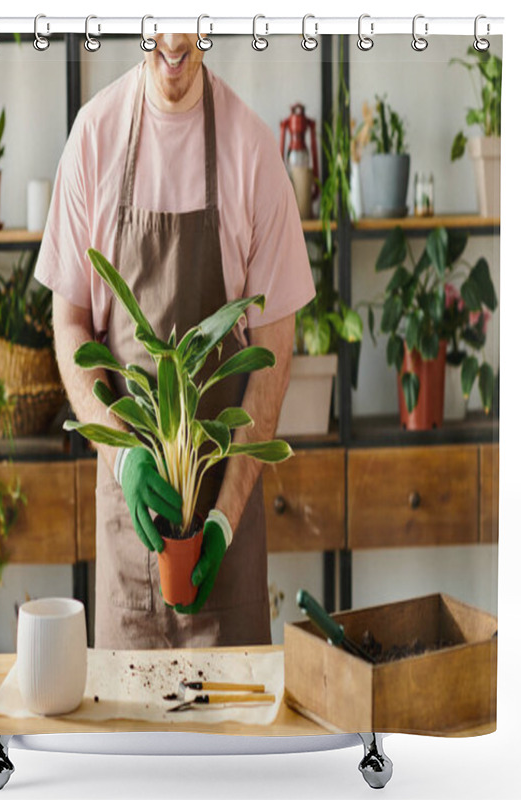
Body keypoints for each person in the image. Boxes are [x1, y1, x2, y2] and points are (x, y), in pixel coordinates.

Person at [35, 33, 315, 650]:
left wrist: (221, 518)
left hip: (225, 514)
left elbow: (274, 348)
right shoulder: (94, 137)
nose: (174, 37)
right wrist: (125, 457)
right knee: (125, 738)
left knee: (233, 743)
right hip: (130, 529)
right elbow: (70, 325)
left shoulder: (252, 149)